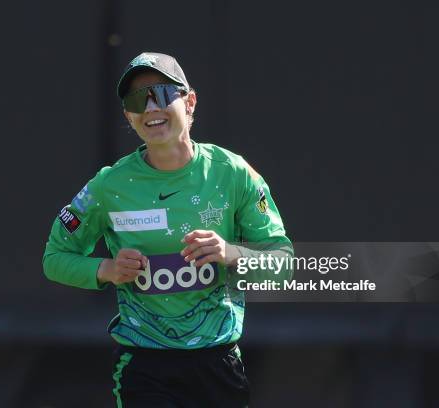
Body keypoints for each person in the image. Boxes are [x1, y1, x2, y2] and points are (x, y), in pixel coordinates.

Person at [42, 51, 292, 407]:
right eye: (136, 101)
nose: (150, 109)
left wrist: (230, 253)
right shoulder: (109, 185)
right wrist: (107, 269)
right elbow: (54, 258)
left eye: (160, 95)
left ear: (189, 102)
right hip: (144, 364)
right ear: (128, 115)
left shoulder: (232, 173)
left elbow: (282, 264)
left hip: (217, 363)